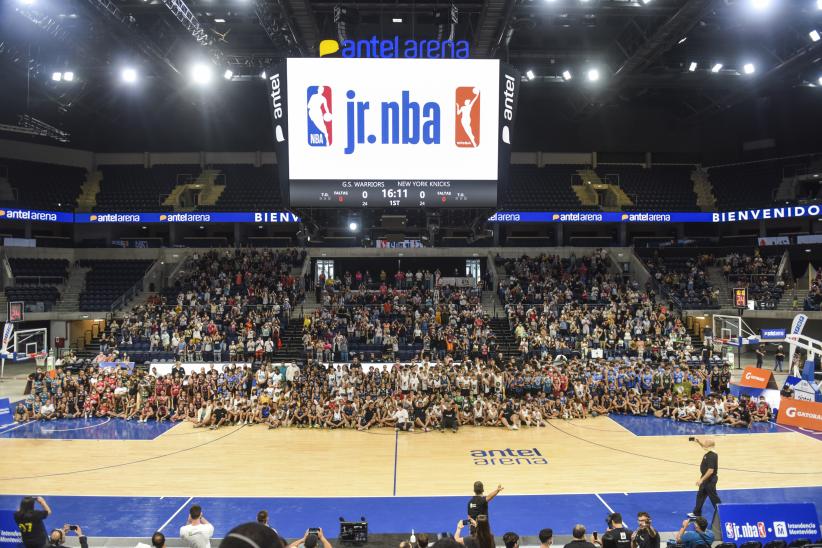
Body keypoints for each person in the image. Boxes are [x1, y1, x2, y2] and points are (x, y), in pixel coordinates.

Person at [689, 438, 721, 518]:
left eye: (706, 442)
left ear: (709, 445)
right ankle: (697, 513)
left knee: (713, 497)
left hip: (710, 480)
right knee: (700, 495)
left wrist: (701, 480)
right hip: (706, 479)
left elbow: (710, 470)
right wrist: (698, 442)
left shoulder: (712, 456)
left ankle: (722, 511)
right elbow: (703, 446)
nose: (704, 443)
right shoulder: (710, 452)